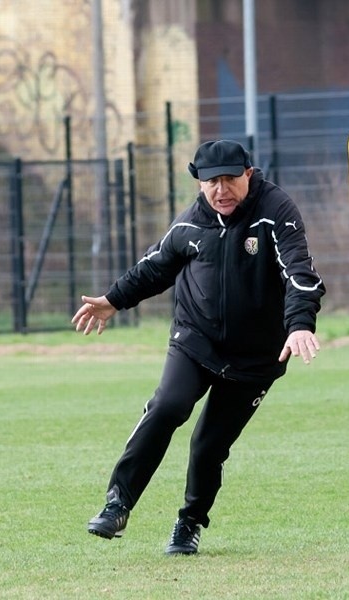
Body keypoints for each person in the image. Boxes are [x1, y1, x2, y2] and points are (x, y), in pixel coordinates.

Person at [72, 139, 325, 555]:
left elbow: (299, 271)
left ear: (248, 174)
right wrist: (113, 299)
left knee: (209, 445)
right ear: (199, 184)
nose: (221, 190)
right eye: (211, 182)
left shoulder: (276, 212)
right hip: (195, 340)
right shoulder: (191, 222)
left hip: (256, 358)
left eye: (229, 179)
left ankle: (189, 524)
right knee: (167, 406)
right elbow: (154, 267)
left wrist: (299, 324)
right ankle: (118, 502)